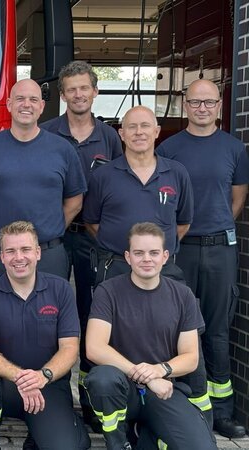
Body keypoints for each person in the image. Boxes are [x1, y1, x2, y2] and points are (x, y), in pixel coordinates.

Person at [156, 79, 249, 439]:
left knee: (218, 329)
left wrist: (215, 227)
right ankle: (182, 406)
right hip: (181, 249)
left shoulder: (234, 149)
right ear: (185, 104)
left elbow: (237, 198)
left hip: (220, 248)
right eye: (195, 102)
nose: (202, 109)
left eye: (209, 102)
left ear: (219, 105)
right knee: (179, 328)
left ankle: (221, 411)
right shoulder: (170, 148)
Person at [40, 60, 123, 430]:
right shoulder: (46, 133)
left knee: (94, 315)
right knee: (49, 313)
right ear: (62, 95)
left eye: (84, 88)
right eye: (71, 89)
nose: (78, 95)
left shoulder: (110, 138)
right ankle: (50, 395)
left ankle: (91, 400)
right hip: (55, 239)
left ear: (95, 91)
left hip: (94, 241)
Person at [84, 222, 217, 450]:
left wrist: (160, 370)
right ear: (128, 257)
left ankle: (144, 434)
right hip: (123, 390)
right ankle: (118, 443)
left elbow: (191, 357)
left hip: (162, 391)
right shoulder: (108, 291)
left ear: (165, 257)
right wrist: (147, 377)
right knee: (102, 379)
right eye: (139, 253)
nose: (147, 259)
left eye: (154, 253)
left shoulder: (183, 295)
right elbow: (94, 348)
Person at [0, 221, 90, 450]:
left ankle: (52, 431)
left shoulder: (60, 289)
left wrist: (43, 376)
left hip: (48, 386)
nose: (18, 257)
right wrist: (21, 377)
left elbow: (70, 349)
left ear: (38, 253)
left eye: (25, 249)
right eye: (11, 251)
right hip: (3, 386)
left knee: (66, 446)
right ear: (2, 257)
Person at [0, 79, 87, 285]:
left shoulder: (63, 149)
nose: (26, 104)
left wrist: (49, 230)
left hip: (48, 255)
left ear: (41, 106)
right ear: (9, 104)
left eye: (33, 100)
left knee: (49, 306)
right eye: (20, 99)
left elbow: (75, 201)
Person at [83, 105, 193, 283]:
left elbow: (183, 224)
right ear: (121, 134)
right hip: (115, 268)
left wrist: (153, 254)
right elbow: (91, 223)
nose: (139, 132)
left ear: (156, 131)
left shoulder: (177, 173)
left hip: (162, 270)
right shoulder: (102, 176)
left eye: (145, 126)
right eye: (132, 127)